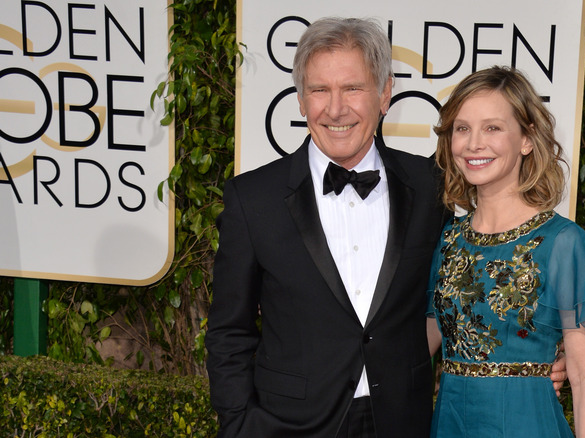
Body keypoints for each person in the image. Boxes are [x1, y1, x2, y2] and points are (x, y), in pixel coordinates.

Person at [205, 17, 566, 438]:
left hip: (402, 421)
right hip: (288, 426)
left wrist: (536, 359)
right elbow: (229, 331)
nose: (335, 108)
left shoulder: (429, 185)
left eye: (353, 88)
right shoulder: (253, 199)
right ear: (301, 100)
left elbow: (461, 295)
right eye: (320, 89)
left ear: (385, 93)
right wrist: (239, 425)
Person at [426, 66, 585, 438]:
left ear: (527, 139)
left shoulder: (563, 242)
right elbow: (420, 344)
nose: (474, 143)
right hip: (450, 424)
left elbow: (584, 374)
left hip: (527, 424)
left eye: (492, 128)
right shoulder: (448, 239)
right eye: (462, 128)